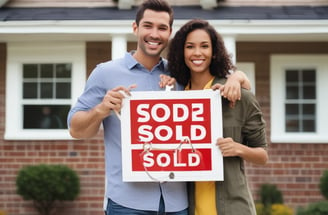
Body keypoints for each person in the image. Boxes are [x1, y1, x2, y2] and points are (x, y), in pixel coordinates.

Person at [67, 0, 251, 214]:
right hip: (127, 203)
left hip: (177, 203)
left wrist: (237, 77)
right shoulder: (105, 73)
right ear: (135, 28)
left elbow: (230, 84)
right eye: (148, 25)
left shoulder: (181, 74)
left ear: (170, 33)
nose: (154, 34)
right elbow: (76, 130)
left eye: (162, 28)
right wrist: (101, 109)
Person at [167, 19, 268, 215]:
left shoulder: (237, 95)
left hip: (233, 208)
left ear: (214, 52)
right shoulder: (175, 97)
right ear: (182, 52)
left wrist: (237, 148)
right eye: (190, 47)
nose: (197, 53)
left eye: (204, 46)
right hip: (187, 208)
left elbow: (262, 155)